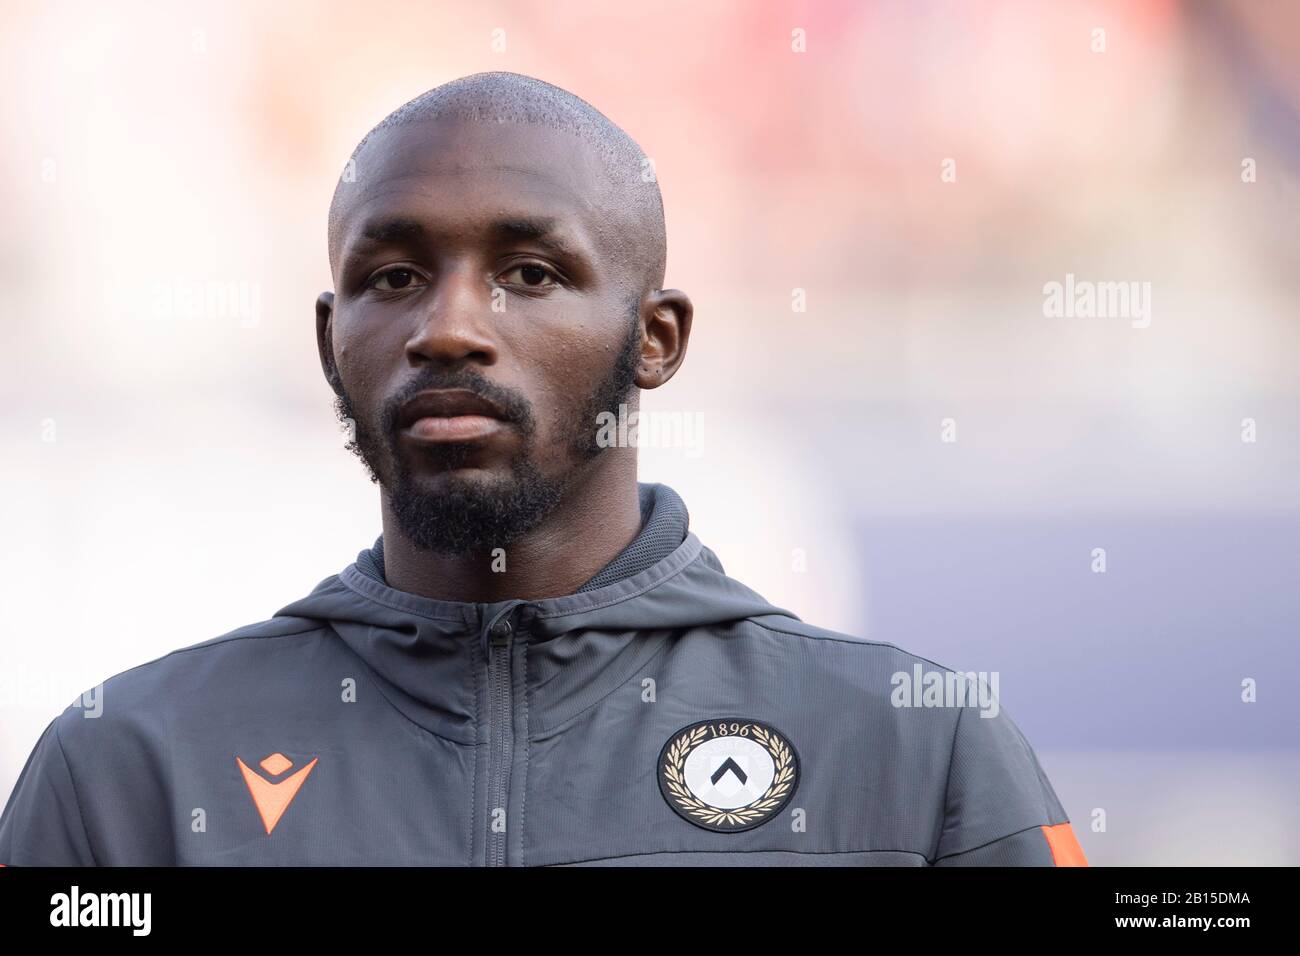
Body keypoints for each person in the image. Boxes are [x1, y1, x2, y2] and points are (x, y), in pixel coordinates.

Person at [0, 72, 1086, 866]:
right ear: (333, 339)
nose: (449, 327)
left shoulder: (913, 744)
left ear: (655, 338)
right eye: (393, 274)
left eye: (528, 269)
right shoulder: (131, 765)